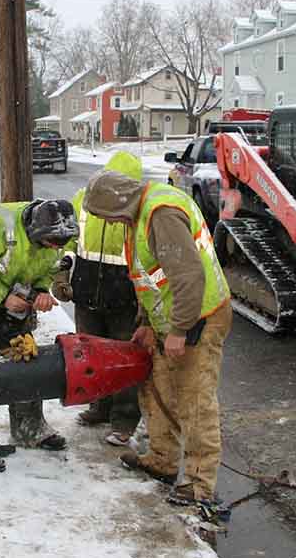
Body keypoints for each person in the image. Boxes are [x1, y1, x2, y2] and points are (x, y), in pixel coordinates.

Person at [82, 169, 232, 507]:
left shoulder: (160, 214)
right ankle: (162, 459)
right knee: (156, 387)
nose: (109, 222)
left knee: (194, 401)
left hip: (199, 318)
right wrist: (148, 322)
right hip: (172, 319)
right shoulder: (139, 215)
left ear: (116, 204)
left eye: (105, 215)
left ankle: (198, 483)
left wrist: (180, 329)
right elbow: (152, 276)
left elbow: (188, 276)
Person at [0, 199, 79, 473]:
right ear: (34, 230)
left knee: (24, 355)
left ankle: (30, 428)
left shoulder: (58, 235)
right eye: (50, 242)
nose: (56, 247)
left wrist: (41, 291)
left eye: (60, 243)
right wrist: (3, 297)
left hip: (16, 291)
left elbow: (47, 269)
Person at [59, 151, 143, 446]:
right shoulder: (84, 198)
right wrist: (63, 270)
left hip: (124, 297)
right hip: (86, 291)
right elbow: (68, 238)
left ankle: (124, 419)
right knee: (91, 354)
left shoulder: (138, 208)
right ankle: (99, 408)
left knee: (123, 359)